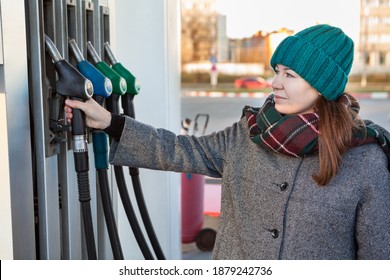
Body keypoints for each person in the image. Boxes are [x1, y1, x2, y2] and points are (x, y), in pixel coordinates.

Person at [65, 24, 390, 260]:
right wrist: (109, 122)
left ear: (322, 86)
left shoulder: (366, 160)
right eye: (276, 70)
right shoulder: (248, 133)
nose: (274, 83)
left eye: (289, 75)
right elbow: (179, 150)